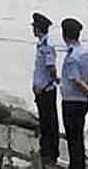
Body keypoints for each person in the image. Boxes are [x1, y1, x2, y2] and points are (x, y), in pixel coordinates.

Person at [59, 17, 88, 169]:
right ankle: (79, 164)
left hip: (72, 101)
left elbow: (75, 80)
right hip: (83, 102)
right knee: (78, 136)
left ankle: (76, 165)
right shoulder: (85, 53)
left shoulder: (72, 57)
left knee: (73, 137)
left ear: (65, 35)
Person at [31, 12, 59, 166]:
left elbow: (51, 68)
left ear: (39, 28)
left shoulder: (48, 45)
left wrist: (50, 82)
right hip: (41, 89)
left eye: (34, 27)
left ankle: (51, 153)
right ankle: (45, 149)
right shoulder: (41, 43)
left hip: (47, 90)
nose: (33, 30)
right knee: (44, 120)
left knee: (49, 121)